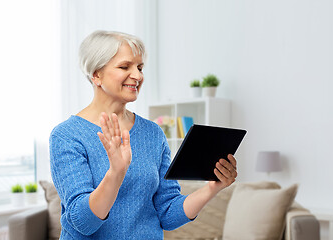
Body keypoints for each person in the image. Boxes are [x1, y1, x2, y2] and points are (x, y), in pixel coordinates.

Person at [49, 30, 238, 239]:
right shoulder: (66, 136)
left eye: (140, 68)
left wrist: (213, 187)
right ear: (96, 74)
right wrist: (116, 173)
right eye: (124, 67)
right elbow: (83, 222)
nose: (137, 76)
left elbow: (167, 214)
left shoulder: (152, 133)